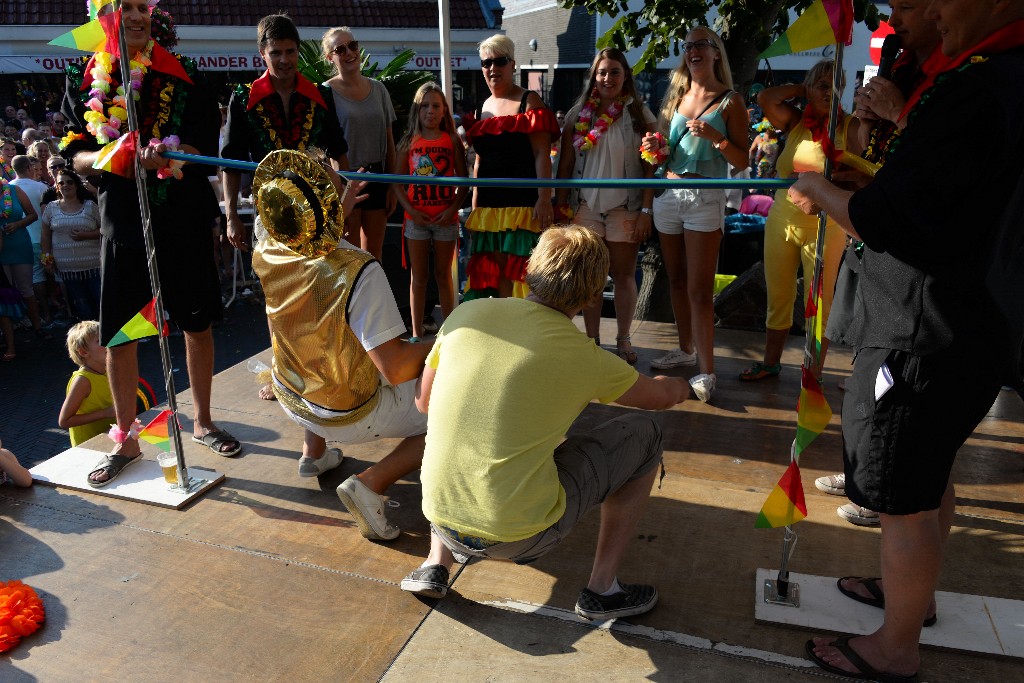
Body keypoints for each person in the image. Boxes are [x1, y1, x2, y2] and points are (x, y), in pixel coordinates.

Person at [791, 1, 1024, 679]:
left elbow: (887, 218)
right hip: (968, 322)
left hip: (924, 325)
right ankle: (908, 602)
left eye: (931, 0)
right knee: (926, 473)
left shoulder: (977, 85)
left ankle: (894, 644)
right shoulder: (999, 76)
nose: (922, 14)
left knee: (903, 494)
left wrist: (818, 190)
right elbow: (940, 200)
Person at [401, 226, 691, 615]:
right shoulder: (585, 357)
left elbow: (424, 403)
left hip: (437, 511)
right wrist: (684, 385)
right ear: (592, 296)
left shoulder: (468, 313)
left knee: (468, 424)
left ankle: (437, 562)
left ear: (528, 272)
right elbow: (660, 400)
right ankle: (602, 589)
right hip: (519, 537)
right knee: (647, 434)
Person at [62, 0, 239, 488]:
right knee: (121, 335)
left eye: (141, 5)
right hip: (122, 222)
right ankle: (127, 441)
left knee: (196, 324)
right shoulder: (87, 74)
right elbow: (74, 153)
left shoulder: (186, 73)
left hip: (182, 220)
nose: (134, 16)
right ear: (105, 18)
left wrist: (174, 155)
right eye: (123, 8)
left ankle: (201, 422)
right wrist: (113, 158)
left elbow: (208, 152)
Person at [251, 148, 432, 541]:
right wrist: (446, 343)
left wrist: (336, 211)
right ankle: (371, 483)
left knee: (317, 338)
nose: (344, 178)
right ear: (331, 206)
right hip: (348, 414)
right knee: (455, 401)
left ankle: (313, 455)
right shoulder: (358, 269)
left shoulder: (266, 248)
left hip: (292, 397)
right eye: (335, 179)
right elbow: (396, 367)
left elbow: (313, 256)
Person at [815, 0, 945, 529]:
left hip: (920, 282)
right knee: (863, 367)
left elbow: (941, 170)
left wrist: (897, 111)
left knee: (890, 386)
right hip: (872, 240)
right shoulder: (899, 63)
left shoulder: (961, 81)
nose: (896, 22)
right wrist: (865, 121)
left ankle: (879, 487)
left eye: (907, 8)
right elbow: (866, 154)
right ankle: (861, 469)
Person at [221, 13, 349, 402]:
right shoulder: (242, 99)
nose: (284, 60)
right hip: (270, 215)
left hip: (317, 213)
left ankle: (317, 367)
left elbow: (339, 152)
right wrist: (230, 216)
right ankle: (284, 374)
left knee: (315, 293)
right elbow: (230, 160)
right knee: (278, 297)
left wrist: (339, 199)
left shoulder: (320, 95)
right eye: (275, 52)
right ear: (262, 53)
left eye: (290, 51)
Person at [641, 27, 750, 403]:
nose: (692, 51)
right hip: (669, 193)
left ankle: (707, 371)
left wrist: (715, 138)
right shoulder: (676, 97)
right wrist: (653, 147)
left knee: (700, 292)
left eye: (701, 44)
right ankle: (685, 349)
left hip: (705, 195)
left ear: (716, 52)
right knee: (675, 280)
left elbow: (743, 159)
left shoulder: (731, 101)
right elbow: (659, 156)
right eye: (687, 46)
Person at [739, 61, 864, 383]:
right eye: (821, 85)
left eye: (836, 84)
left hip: (826, 227)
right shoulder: (796, 120)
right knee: (778, 297)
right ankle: (770, 363)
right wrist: (801, 90)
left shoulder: (848, 126)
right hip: (781, 221)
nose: (829, 91)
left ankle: (814, 372)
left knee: (820, 302)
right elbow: (766, 98)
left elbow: (862, 175)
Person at [554, 47, 657, 365]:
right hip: (586, 206)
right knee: (592, 278)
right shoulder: (577, 114)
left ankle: (624, 339)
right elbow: (566, 165)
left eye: (614, 71)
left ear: (625, 76)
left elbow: (651, 165)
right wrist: (560, 208)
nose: (608, 78)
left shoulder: (639, 114)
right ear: (593, 77)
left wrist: (646, 212)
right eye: (602, 72)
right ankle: (592, 340)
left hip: (625, 206)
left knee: (624, 275)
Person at [463, 34, 559, 300]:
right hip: (489, 206)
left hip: (522, 204)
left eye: (500, 61)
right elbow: (479, 161)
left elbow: (542, 153)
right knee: (498, 273)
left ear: (512, 64)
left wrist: (544, 198)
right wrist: (474, 206)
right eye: (486, 63)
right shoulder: (483, 106)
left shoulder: (530, 101)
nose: (493, 68)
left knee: (524, 273)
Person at [392, 82, 469, 341]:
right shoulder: (408, 141)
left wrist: (452, 210)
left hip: (445, 219)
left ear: (444, 110)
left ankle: (450, 333)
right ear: (417, 109)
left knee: (444, 276)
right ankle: (416, 332)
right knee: (419, 277)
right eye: (425, 105)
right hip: (416, 220)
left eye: (436, 105)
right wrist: (411, 210)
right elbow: (397, 181)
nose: (430, 111)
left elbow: (464, 181)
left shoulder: (452, 140)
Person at [322, 26, 397, 260]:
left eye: (352, 45)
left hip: (377, 177)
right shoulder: (325, 92)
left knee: (375, 256)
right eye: (340, 49)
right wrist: (337, 186)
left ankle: (375, 298)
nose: (349, 53)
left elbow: (390, 142)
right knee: (351, 257)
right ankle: (353, 298)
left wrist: (392, 185)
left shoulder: (379, 89)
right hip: (345, 178)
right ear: (330, 57)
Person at [40, 170, 102, 321]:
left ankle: (108, 339)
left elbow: (105, 229)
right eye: (61, 182)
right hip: (68, 269)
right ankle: (90, 340)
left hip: (93, 267)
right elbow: (45, 235)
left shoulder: (90, 206)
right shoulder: (51, 208)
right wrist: (47, 259)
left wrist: (85, 235)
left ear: (76, 184)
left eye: (69, 182)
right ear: (57, 187)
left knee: (101, 303)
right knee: (81, 305)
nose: (65, 185)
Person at [59, 320, 115, 446]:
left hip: (109, 437)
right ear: (84, 352)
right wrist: (105, 413)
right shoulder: (83, 380)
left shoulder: (108, 369)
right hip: (89, 446)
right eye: (100, 340)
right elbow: (64, 421)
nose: (108, 342)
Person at [10, 155, 50, 328]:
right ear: (29, 168)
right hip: (40, 238)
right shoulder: (40, 186)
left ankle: (42, 315)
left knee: (30, 281)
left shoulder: (10, 188)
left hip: (25, 240)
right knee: (41, 277)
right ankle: (46, 312)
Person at [0, 176, 43, 341]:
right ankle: (11, 331)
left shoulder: (13, 190)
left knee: (26, 288)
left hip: (19, 245)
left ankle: (37, 326)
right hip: (1, 251)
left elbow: (33, 215)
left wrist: (17, 224)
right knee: (5, 292)